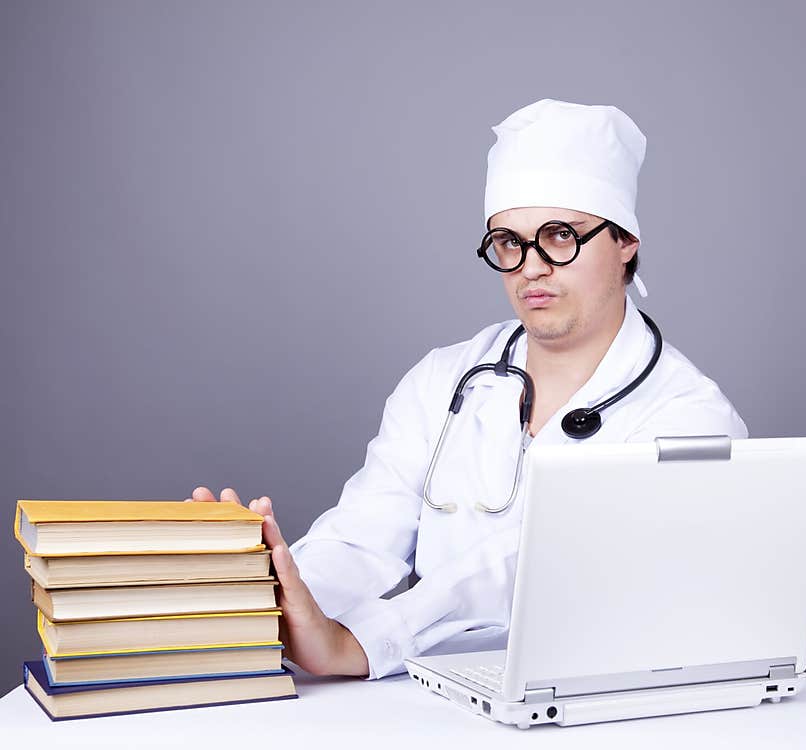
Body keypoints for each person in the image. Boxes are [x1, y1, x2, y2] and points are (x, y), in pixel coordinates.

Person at [189, 99, 748, 680]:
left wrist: (357, 641)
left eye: (560, 236)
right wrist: (271, 590)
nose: (531, 267)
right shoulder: (442, 380)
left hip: (601, 716)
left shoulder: (692, 421)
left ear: (626, 240)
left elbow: (537, 564)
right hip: (427, 707)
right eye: (508, 241)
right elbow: (361, 539)